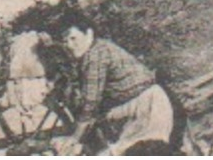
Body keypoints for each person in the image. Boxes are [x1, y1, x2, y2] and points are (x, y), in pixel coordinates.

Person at [54, 11, 184, 156]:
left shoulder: (95, 55)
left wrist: (74, 139)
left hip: (149, 106)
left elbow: (90, 104)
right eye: (65, 41)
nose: (70, 45)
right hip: (139, 105)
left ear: (88, 33)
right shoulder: (97, 49)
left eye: (73, 38)